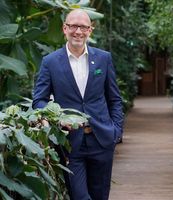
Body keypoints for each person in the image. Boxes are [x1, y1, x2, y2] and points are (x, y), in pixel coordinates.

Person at [32, 9, 123, 200]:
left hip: (102, 140)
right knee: (80, 197)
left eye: (83, 27)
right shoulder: (50, 62)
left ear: (90, 30)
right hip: (70, 144)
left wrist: (116, 132)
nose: (78, 31)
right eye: (73, 26)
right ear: (65, 28)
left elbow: (114, 99)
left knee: (100, 196)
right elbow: (39, 100)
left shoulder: (103, 59)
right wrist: (57, 118)